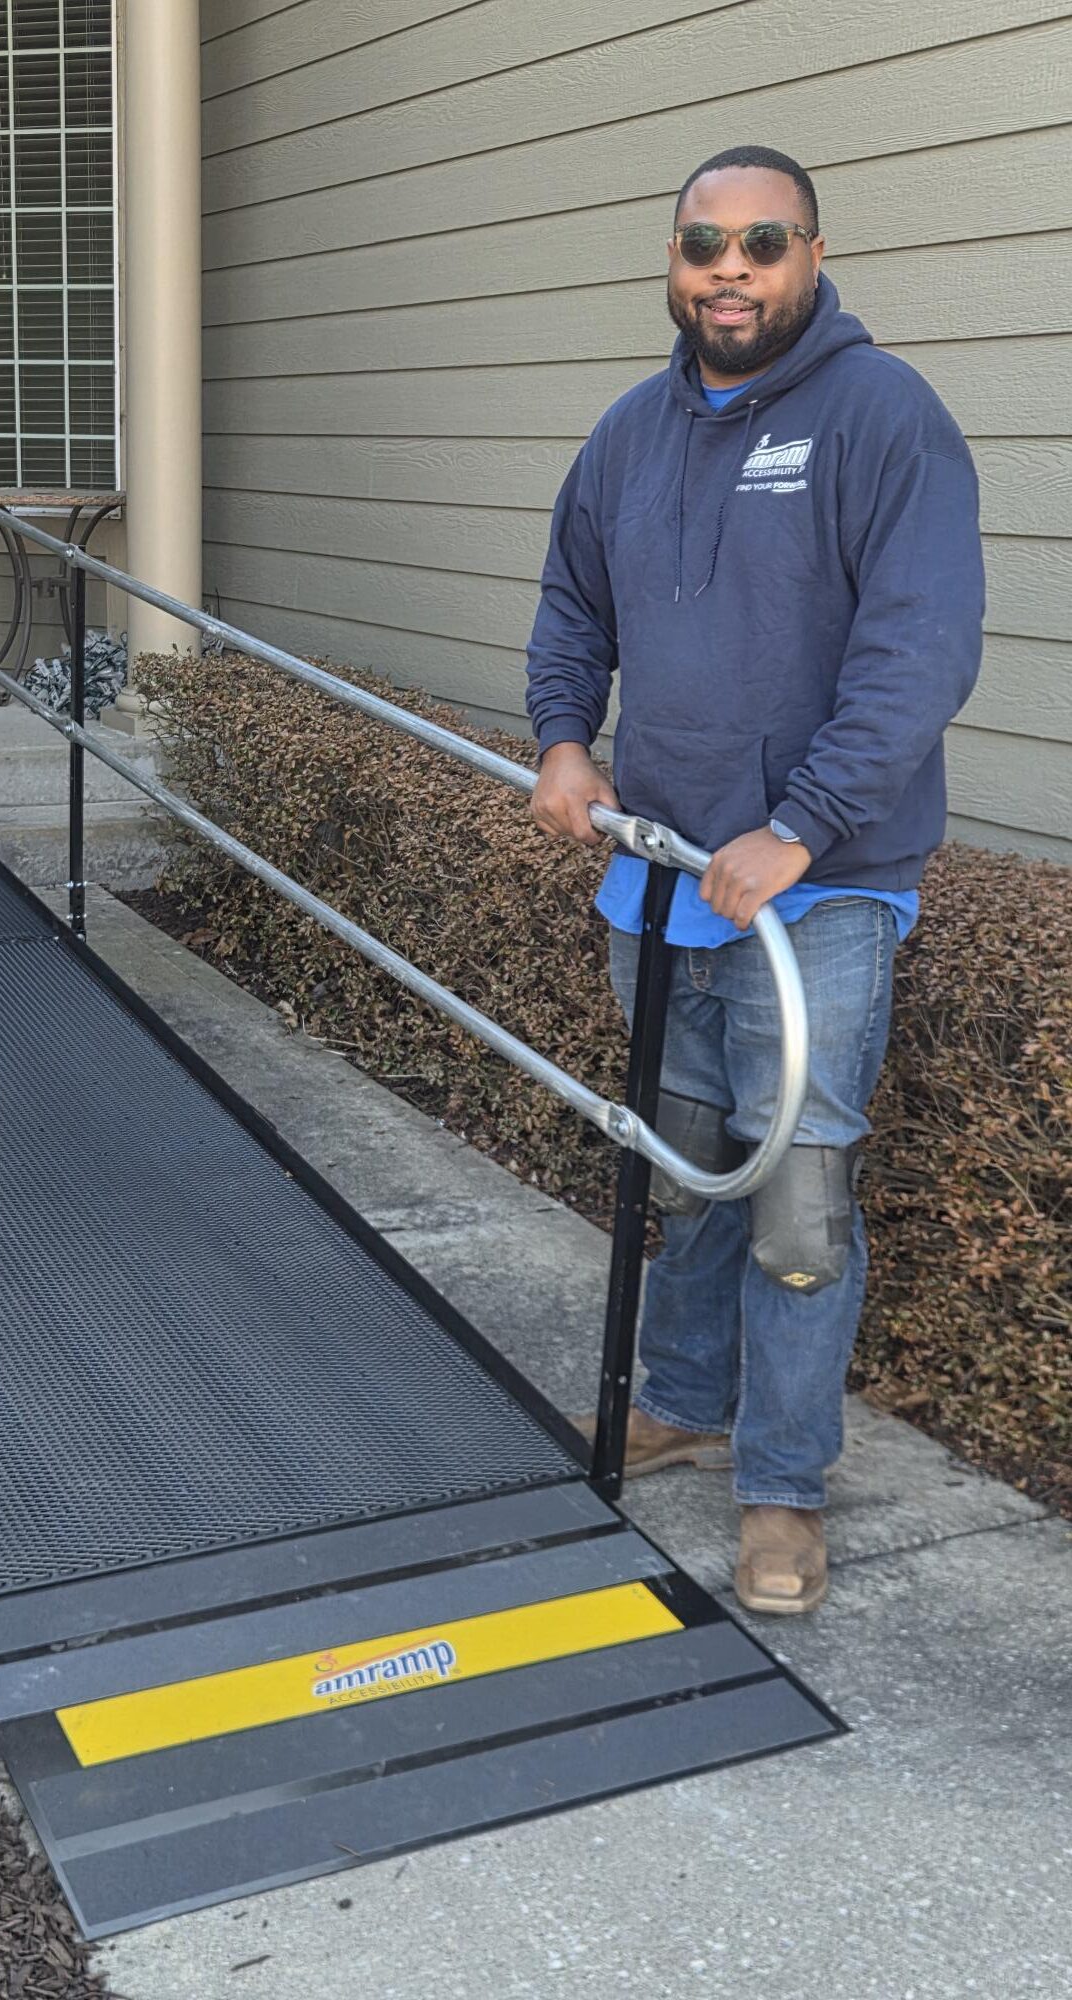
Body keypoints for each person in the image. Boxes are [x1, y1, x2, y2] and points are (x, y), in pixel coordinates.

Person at [525, 145, 983, 1614]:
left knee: (796, 1205)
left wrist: (803, 821)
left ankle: (783, 1489)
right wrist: (560, 742)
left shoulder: (883, 418)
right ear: (674, 260)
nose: (730, 269)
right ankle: (679, 1396)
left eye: (761, 244)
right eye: (703, 243)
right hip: (659, 887)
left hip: (821, 895)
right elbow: (571, 602)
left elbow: (921, 650)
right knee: (687, 1173)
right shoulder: (627, 433)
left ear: (811, 254)